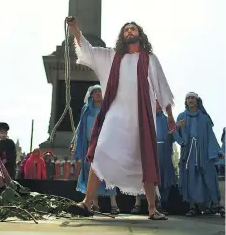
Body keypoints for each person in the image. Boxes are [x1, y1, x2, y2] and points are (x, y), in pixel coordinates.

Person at [66, 17, 175, 220]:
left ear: (140, 34)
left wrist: (169, 115)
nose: (129, 32)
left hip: (140, 116)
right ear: (122, 36)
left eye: (133, 29)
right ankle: (86, 203)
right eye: (126, 30)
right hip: (116, 113)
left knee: (145, 158)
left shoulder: (150, 59)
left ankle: (152, 208)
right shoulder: (112, 56)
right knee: (101, 150)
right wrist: (75, 30)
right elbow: (89, 51)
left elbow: (162, 86)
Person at [71, 85, 119, 214]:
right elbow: (80, 127)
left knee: (108, 174)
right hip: (90, 147)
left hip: (105, 146)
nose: (97, 94)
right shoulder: (86, 110)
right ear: (91, 95)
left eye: (99, 92)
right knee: (91, 175)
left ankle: (113, 204)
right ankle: (94, 204)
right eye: (95, 92)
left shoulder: (107, 109)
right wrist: (74, 142)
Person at [175, 92, 223, 216]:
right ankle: (193, 206)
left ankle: (210, 205)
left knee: (206, 177)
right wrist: (178, 131)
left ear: (197, 101)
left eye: (192, 98)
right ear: (186, 101)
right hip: (189, 152)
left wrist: (217, 151)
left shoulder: (204, 118)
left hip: (203, 151)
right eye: (188, 98)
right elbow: (174, 133)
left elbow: (211, 135)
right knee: (190, 178)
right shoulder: (181, 116)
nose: (190, 100)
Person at [155, 100, 177, 212]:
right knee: (155, 177)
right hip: (153, 153)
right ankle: (156, 203)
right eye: (155, 103)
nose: (158, 105)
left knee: (166, 177)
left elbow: (174, 136)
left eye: (160, 103)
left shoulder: (167, 119)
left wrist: (178, 129)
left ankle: (164, 201)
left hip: (165, 152)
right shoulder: (149, 119)